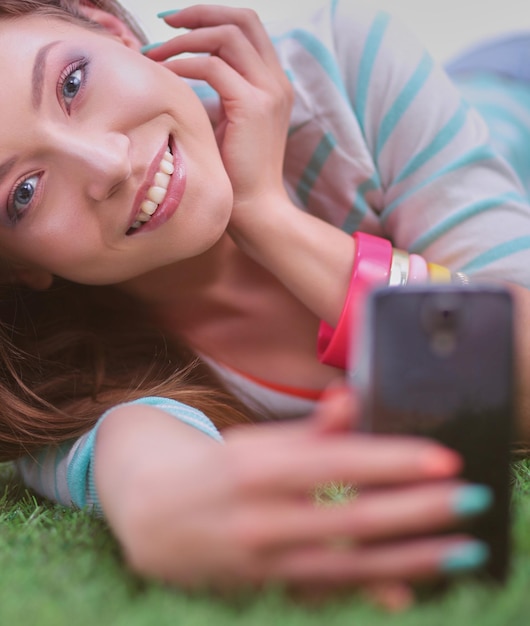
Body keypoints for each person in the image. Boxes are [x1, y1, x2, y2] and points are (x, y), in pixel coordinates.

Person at [0, 0, 529, 599]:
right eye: (24, 193)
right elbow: (141, 458)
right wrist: (160, 504)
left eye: (72, 83)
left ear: (113, 30)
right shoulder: (55, 380)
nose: (110, 164)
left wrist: (269, 217)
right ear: (17, 270)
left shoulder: (344, 65)